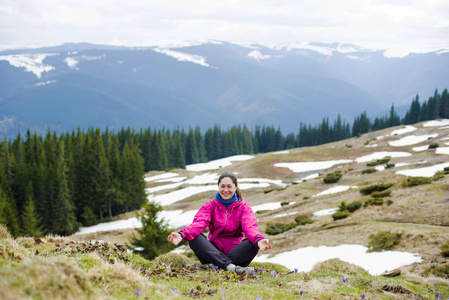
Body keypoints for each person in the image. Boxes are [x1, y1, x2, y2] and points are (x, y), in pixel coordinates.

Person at [167, 171, 272, 275]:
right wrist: (182, 234)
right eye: (222, 186)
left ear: (235, 187)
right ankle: (230, 267)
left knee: (252, 243)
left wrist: (258, 240)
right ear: (218, 187)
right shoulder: (210, 206)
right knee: (194, 238)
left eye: (229, 186)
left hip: (235, 255)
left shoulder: (244, 208)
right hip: (213, 252)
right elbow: (199, 224)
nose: (225, 190)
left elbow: (250, 227)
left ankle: (215, 266)